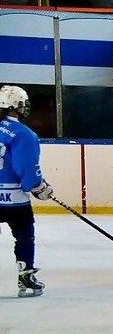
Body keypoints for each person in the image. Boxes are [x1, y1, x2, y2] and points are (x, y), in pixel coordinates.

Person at [0, 85, 53, 297]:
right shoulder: (24, 134)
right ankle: (26, 277)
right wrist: (39, 187)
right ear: (17, 106)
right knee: (24, 237)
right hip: (14, 200)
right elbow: (27, 170)